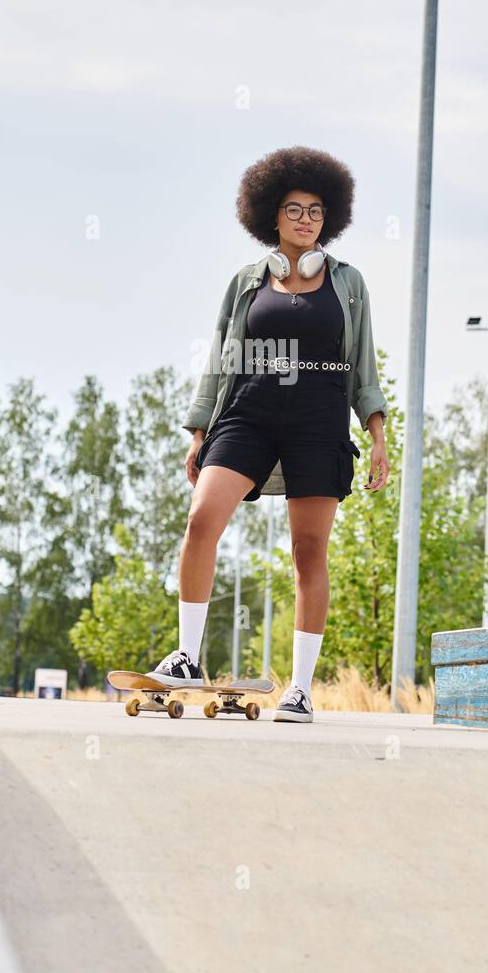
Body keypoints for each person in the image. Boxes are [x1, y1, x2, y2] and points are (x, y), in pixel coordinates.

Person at [153, 145, 389, 723]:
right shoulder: (246, 282)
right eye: (293, 209)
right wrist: (200, 428)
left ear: (327, 217)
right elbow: (219, 357)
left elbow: (363, 366)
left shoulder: (348, 284)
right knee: (202, 518)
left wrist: (378, 434)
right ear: (270, 216)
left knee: (309, 550)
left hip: (319, 417)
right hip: (248, 412)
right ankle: (187, 657)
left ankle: (301, 690)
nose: (305, 219)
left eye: (314, 210)